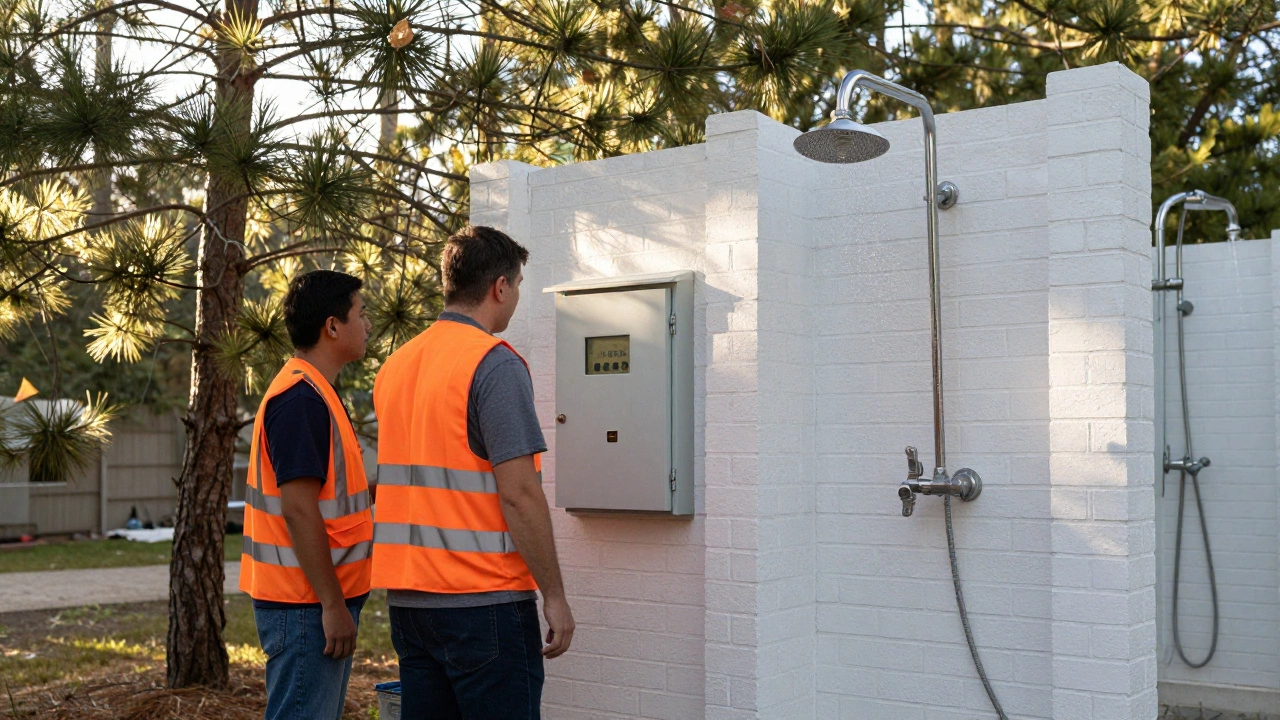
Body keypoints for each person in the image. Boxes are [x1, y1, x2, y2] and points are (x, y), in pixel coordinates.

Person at [372, 225, 574, 719]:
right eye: (519, 284)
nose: (518, 296)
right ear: (499, 287)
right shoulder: (493, 365)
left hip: (409, 606)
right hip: (483, 606)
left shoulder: (395, 366)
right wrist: (555, 596)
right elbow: (520, 495)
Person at [240, 270, 374, 720]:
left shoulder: (318, 392)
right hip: (306, 606)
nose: (368, 324)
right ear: (332, 326)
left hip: (314, 600)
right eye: (361, 313)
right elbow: (298, 510)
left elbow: (331, 494)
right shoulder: (300, 398)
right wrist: (332, 604)